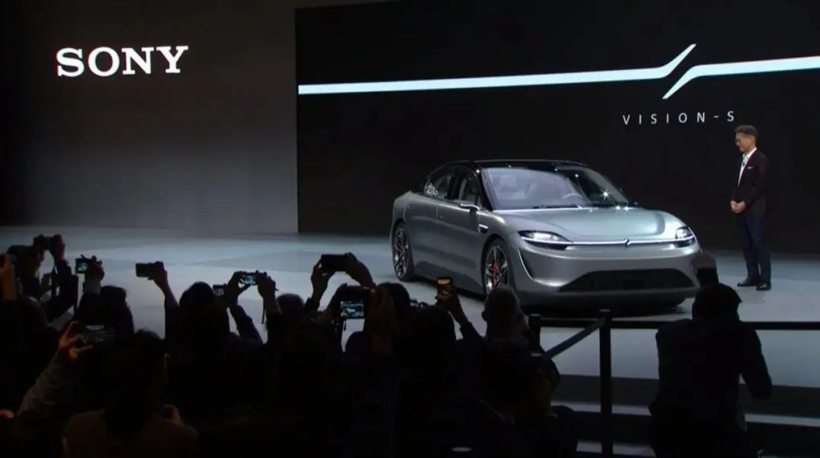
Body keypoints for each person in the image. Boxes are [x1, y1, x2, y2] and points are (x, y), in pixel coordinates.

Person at [649, 283, 772, 458]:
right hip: (716, 430)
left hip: (666, 428)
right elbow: (762, 390)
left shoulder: (668, 333)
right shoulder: (739, 335)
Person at [731, 125, 771, 291]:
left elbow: (759, 186)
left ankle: (765, 279)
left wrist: (745, 203)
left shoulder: (761, 159)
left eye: (739, 140)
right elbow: (736, 184)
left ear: (751, 138)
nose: (737, 143)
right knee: (746, 244)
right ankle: (752, 275)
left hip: (755, 210)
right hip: (740, 210)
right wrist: (733, 200)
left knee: (758, 243)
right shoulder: (740, 161)